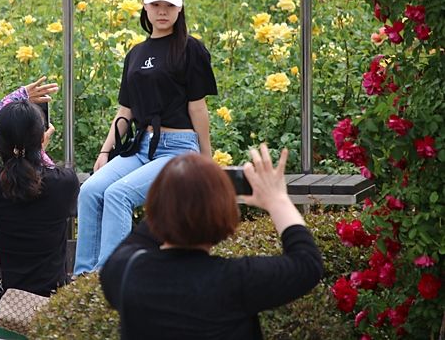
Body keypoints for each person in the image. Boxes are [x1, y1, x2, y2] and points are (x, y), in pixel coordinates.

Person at [99, 144, 324, 340]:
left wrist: (177, 194)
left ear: (157, 205)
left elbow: (142, 236)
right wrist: (277, 200)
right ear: (224, 212)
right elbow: (306, 263)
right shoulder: (235, 281)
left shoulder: (125, 273)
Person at [74, 0, 218, 274]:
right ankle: (82, 280)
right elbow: (125, 110)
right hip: (139, 149)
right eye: (155, 5)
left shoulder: (191, 49)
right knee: (90, 191)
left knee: (118, 194)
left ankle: (107, 279)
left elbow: (198, 108)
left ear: (180, 8)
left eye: (169, 5)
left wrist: (206, 160)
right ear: (145, 6)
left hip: (179, 150)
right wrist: (104, 153)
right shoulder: (136, 53)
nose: (162, 11)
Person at [0, 77, 79, 340]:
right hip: (42, 315)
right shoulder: (65, 182)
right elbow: (41, 172)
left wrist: (20, 94)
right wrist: (38, 153)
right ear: (41, 138)